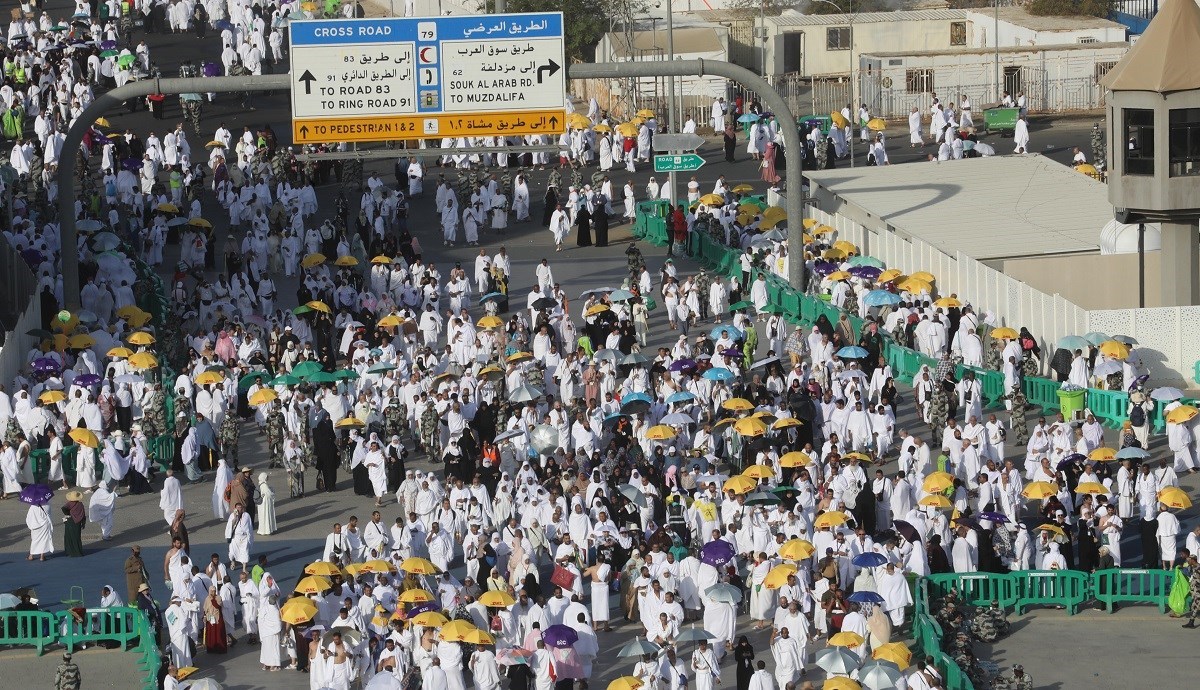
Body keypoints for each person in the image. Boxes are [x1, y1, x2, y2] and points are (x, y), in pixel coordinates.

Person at [203, 586, 229, 653]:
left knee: (219, 633)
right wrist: (205, 617)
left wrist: (213, 599)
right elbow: (205, 609)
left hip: (217, 618)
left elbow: (217, 606)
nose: (213, 592)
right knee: (211, 633)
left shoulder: (218, 598)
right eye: (211, 591)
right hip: (210, 618)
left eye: (214, 591)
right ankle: (211, 648)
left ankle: (220, 648)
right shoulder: (207, 599)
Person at [62, 491, 88, 557]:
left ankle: (70, 552)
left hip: (70, 521)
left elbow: (63, 508)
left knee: (69, 537)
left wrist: (68, 514)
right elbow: (83, 515)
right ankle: (78, 552)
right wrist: (83, 523)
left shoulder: (69, 503)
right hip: (78, 522)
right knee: (77, 537)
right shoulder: (80, 504)